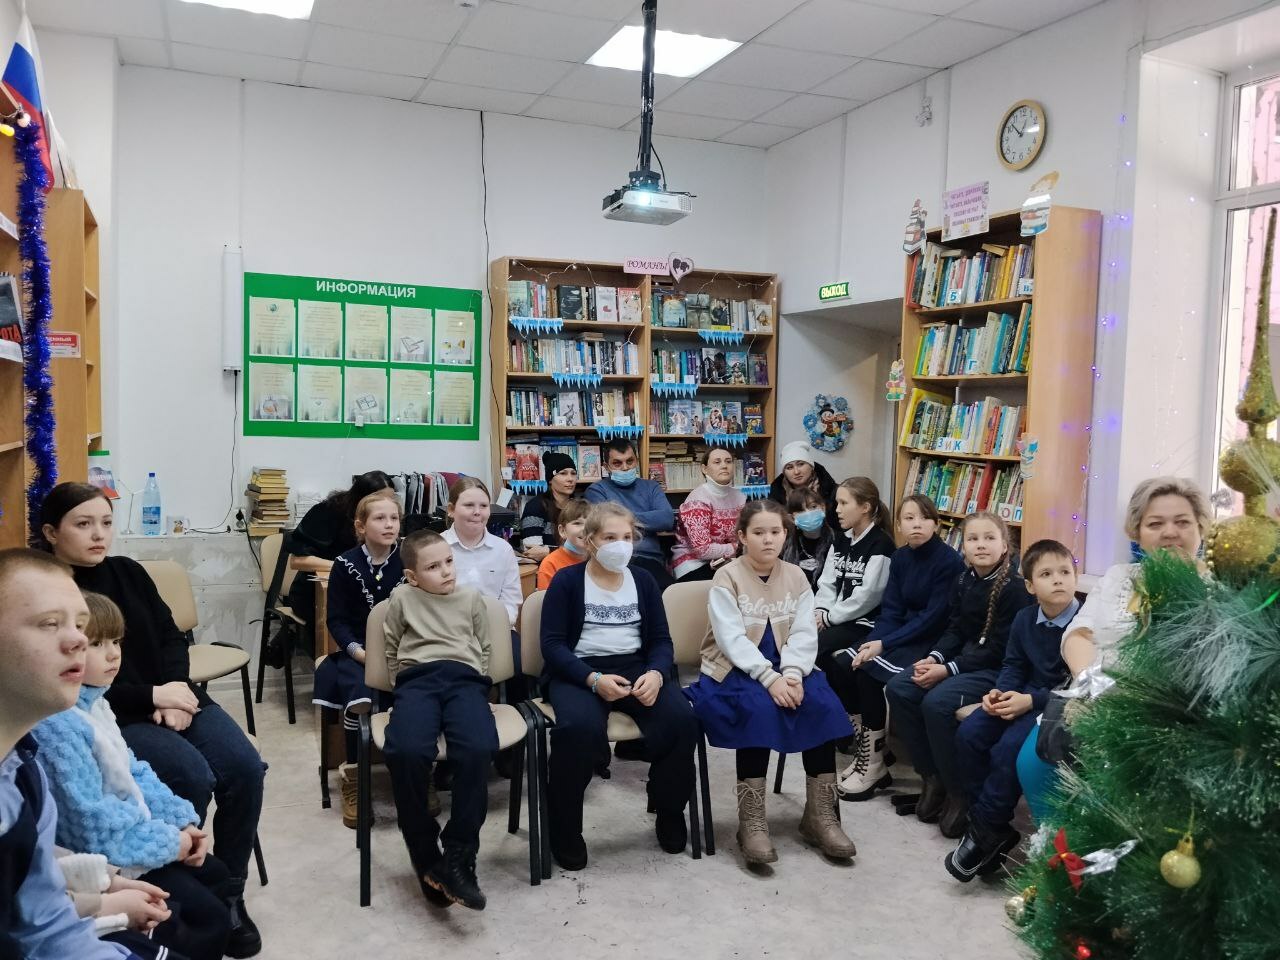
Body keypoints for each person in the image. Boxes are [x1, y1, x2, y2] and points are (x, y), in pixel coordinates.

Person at [39, 483, 264, 953]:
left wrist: (174, 691)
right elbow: (77, 685)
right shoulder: (49, 592)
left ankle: (229, 893)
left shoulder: (129, 571)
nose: (99, 534)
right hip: (119, 712)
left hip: (173, 695)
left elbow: (171, 635)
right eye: (83, 524)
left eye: (106, 522)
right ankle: (176, 884)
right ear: (51, 532)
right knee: (189, 775)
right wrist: (151, 696)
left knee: (244, 767)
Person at [33, 592, 239, 960]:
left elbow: (134, 772)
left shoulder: (95, 701)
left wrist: (180, 823)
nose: (113, 654)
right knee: (204, 918)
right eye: (96, 644)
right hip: (107, 859)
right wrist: (170, 844)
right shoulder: (58, 726)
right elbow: (91, 825)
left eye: (116, 641)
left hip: (133, 843)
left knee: (217, 875)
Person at [1017, 477, 1210, 821]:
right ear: (1137, 532)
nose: (1169, 532)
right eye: (1155, 524)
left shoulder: (1215, 590)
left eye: (1182, 522)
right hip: (1092, 699)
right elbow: (1077, 634)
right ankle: (1058, 850)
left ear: (1201, 528)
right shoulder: (1119, 577)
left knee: (1114, 804)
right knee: (1033, 765)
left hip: (1165, 725)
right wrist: (1092, 687)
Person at [685, 500, 856, 866]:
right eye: (759, 532)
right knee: (758, 709)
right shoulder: (727, 576)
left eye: (775, 532)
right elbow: (731, 639)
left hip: (788, 664)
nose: (768, 539)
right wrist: (769, 677)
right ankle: (752, 823)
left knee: (822, 704)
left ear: (785, 534)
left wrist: (792, 674)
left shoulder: (796, 576)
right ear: (742, 536)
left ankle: (820, 816)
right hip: (735, 668)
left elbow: (804, 632)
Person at [539, 503, 698, 870]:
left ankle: (669, 810)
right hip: (579, 672)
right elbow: (552, 645)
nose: (620, 545)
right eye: (610, 537)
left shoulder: (643, 580)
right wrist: (592, 680)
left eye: (627, 537)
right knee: (577, 730)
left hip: (636, 667)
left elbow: (661, 640)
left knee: (682, 721)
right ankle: (565, 828)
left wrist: (656, 673)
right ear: (590, 541)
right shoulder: (567, 581)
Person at [0, 547, 138, 960]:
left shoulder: (25, 774)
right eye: (49, 623)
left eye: (80, 624)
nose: (79, 638)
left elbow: (46, 929)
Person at [884, 511, 1032, 837]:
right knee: (899, 688)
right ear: (962, 546)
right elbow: (954, 629)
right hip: (963, 661)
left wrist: (947, 669)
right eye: (973, 538)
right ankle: (932, 776)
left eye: (989, 538)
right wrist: (934, 657)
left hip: (994, 670)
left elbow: (999, 650)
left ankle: (959, 791)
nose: (981, 545)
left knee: (936, 704)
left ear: (1005, 545)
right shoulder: (964, 580)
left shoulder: (1014, 589)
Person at [947, 539, 1077, 881]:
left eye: (1065, 572)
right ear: (1030, 586)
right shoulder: (1024, 618)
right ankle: (990, 825)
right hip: (1019, 695)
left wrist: (1029, 701)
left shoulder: (1082, 626)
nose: (1058, 579)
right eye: (1046, 574)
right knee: (970, 734)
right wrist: (1000, 692)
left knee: (1008, 748)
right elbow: (1014, 663)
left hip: (1053, 705)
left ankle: (985, 828)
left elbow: (1076, 685)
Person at [382, 530, 497, 911]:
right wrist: (400, 685)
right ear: (412, 576)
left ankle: (459, 855)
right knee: (406, 751)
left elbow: (484, 646)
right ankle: (425, 852)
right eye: (433, 567)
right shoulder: (402, 598)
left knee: (479, 747)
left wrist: (478, 681)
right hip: (417, 681)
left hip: (465, 681)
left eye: (449, 561)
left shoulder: (470, 598)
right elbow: (391, 646)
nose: (446, 571)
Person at [834, 494, 964, 802]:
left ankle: (874, 764)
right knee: (842, 665)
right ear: (899, 525)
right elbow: (891, 610)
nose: (916, 524)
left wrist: (883, 644)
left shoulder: (949, 561)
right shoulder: (902, 557)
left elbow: (933, 619)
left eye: (924, 518)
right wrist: (873, 642)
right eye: (909, 518)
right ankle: (869, 746)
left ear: (936, 524)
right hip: (899, 632)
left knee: (868, 676)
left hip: (929, 638)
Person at [312, 490, 406, 828]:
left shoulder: (408, 559)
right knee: (359, 696)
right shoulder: (345, 564)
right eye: (380, 518)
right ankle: (354, 773)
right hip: (359, 651)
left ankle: (414, 771)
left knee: (416, 693)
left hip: (403, 649)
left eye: (394, 518)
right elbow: (336, 620)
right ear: (360, 526)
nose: (389, 524)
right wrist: (360, 653)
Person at [811, 478, 895, 749]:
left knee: (820, 651)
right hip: (837, 617)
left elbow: (868, 596)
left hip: (866, 621)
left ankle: (851, 722)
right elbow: (827, 582)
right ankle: (843, 719)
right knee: (809, 647)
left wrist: (830, 618)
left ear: (865, 507)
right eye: (837, 503)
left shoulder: (881, 545)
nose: (836, 509)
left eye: (844, 503)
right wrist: (821, 611)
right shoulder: (840, 540)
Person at [286, 470, 393, 633]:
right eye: (380, 500)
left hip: (359, 591)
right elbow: (297, 561)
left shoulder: (387, 521)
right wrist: (345, 567)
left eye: (391, 499)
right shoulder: (327, 511)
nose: (387, 505)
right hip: (314, 594)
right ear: (362, 498)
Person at [583, 438, 675, 590]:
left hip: (649, 559)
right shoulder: (596, 490)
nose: (625, 467)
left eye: (629, 461)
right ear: (606, 467)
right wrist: (649, 517)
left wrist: (620, 518)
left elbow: (666, 518)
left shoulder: (651, 487)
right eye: (617, 463)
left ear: (636, 461)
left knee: (670, 593)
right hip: (613, 559)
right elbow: (606, 524)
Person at [443, 477, 522, 629]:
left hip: (496, 628)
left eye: (484, 506)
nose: (477, 512)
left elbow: (511, 602)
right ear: (451, 510)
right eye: (469, 505)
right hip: (449, 632)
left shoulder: (503, 550)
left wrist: (493, 626)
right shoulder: (435, 548)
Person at [669, 445, 745, 583]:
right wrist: (738, 548)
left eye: (728, 461)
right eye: (717, 462)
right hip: (693, 564)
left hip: (728, 561)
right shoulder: (697, 500)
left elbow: (746, 535)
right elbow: (703, 550)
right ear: (704, 469)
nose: (724, 466)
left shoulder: (741, 497)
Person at [519, 451, 579, 562]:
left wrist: (549, 551)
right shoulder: (535, 507)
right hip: (546, 568)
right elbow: (533, 552)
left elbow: (587, 549)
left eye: (573, 473)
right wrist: (572, 552)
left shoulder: (579, 508)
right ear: (550, 479)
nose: (570, 479)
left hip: (577, 567)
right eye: (563, 473)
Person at [767, 440, 838, 533]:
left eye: (801, 464)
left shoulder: (834, 492)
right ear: (784, 473)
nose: (796, 472)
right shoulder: (775, 499)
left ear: (811, 466)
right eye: (789, 467)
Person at [781, 487, 835, 591]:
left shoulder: (839, 541)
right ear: (792, 518)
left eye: (813, 507)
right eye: (800, 510)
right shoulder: (785, 546)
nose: (808, 513)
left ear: (823, 508)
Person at [536, 498, 590, 590]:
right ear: (562, 531)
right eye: (577, 523)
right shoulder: (550, 564)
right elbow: (548, 598)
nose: (585, 529)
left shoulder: (598, 561)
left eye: (590, 524)